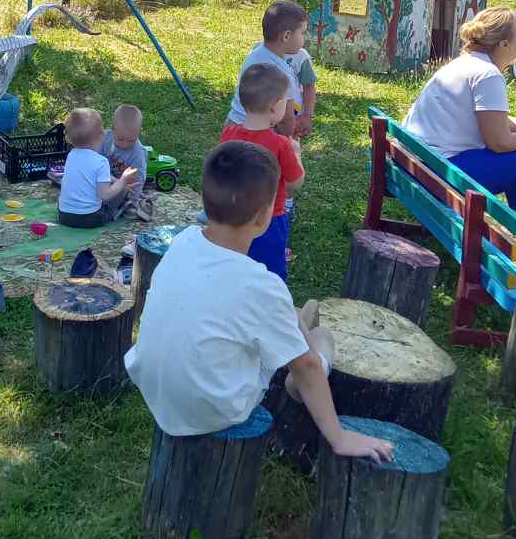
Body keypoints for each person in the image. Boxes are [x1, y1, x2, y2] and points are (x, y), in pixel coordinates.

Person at [125, 142, 392, 461]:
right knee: (321, 338)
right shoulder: (261, 285)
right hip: (214, 409)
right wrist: (339, 437)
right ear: (265, 215)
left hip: (157, 393)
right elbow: (305, 367)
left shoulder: (183, 242)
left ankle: (297, 324)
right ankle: (300, 352)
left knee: (277, 314)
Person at [403, 6, 516, 288]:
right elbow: (500, 142)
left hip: (418, 165)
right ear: (503, 44)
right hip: (439, 175)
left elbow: (490, 118)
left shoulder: (466, 63)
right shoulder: (488, 74)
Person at [220, 62, 304, 278]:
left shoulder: (228, 134)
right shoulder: (281, 144)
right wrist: (297, 154)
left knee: (233, 266)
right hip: (269, 221)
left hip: (233, 215)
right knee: (268, 273)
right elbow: (295, 183)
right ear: (275, 107)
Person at [227, 0, 318, 144]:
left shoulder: (255, 52)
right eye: (302, 33)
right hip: (260, 134)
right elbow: (285, 119)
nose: (304, 38)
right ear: (286, 36)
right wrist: (289, 140)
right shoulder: (282, 73)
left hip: (233, 126)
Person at [57, 107, 138, 228]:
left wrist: (116, 181)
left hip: (64, 217)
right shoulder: (101, 162)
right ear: (102, 135)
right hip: (90, 219)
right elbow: (105, 195)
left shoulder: (71, 155)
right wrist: (122, 181)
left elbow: (92, 174)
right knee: (122, 191)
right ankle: (115, 213)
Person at [98, 104, 149, 221]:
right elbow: (93, 160)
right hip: (102, 179)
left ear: (139, 132)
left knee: (122, 198)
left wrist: (133, 200)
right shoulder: (104, 138)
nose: (125, 144)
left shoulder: (138, 153)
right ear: (112, 129)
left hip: (122, 186)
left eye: (131, 140)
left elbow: (138, 179)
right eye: (120, 139)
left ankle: (124, 205)